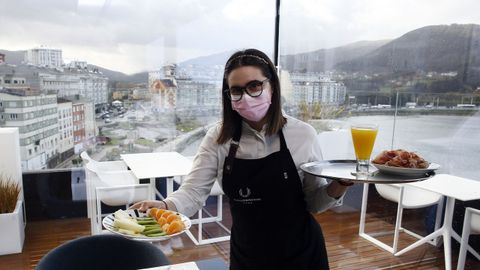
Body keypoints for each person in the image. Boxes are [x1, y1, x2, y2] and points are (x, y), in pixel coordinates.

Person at [131, 48, 352, 269]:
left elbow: (314, 202)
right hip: (248, 255)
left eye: (254, 86)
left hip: (302, 254)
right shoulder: (218, 138)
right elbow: (194, 191)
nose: (246, 96)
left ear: (272, 86)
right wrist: (165, 206)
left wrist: (341, 183)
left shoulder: (303, 134)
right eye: (236, 90)